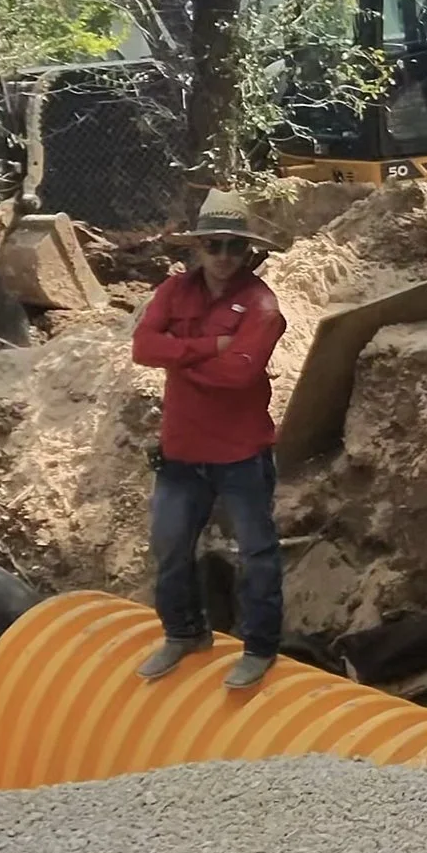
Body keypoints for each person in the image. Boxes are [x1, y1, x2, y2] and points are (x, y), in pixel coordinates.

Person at [130, 191, 287, 691]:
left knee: (256, 553)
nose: (223, 256)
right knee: (170, 547)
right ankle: (184, 633)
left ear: (247, 251)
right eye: (214, 245)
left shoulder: (262, 305)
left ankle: (259, 648)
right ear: (197, 247)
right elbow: (142, 348)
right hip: (181, 452)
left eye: (234, 246)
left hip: (242, 454)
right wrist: (208, 348)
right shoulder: (173, 292)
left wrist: (178, 357)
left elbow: (239, 375)